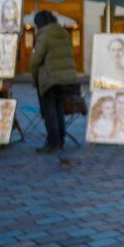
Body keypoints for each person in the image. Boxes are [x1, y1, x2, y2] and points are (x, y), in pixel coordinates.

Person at [30, 10, 79, 153]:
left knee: (49, 111)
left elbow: (36, 60)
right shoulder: (63, 33)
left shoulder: (44, 35)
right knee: (59, 109)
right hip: (66, 79)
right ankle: (60, 140)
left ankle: (54, 143)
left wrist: (34, 77)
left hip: (50, 79)